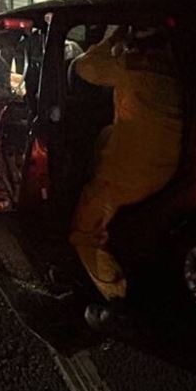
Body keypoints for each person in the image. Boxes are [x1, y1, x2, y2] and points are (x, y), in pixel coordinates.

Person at [69, 25, 182, 327]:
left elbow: (83, 67)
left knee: (87, 233)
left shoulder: (129, 68)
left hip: (132, 173)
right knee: (106, 135)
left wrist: (113, 40)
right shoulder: (176, 69)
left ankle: (116, 302)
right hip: (167, 164)